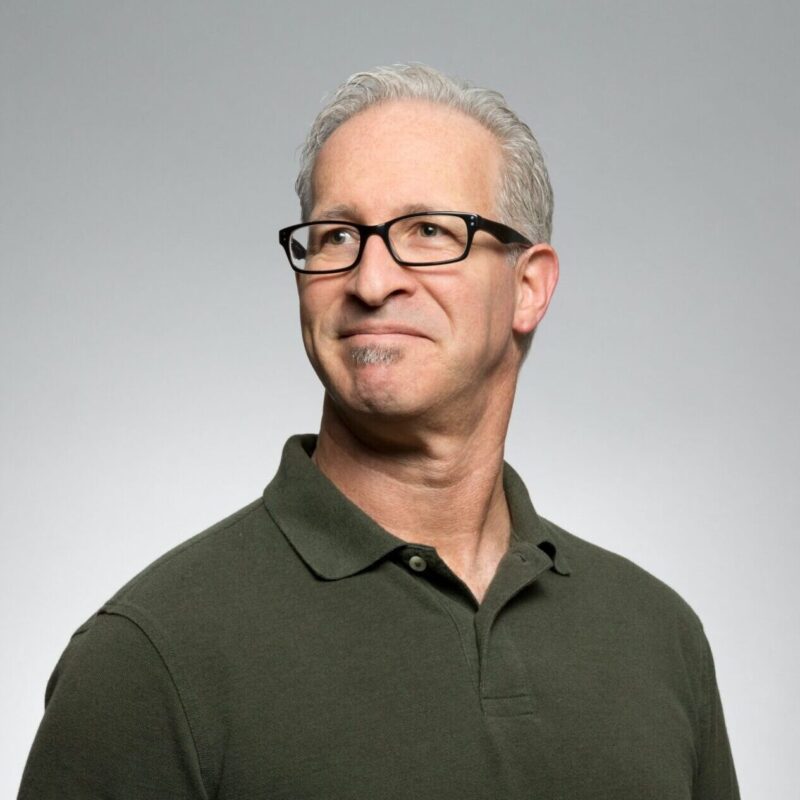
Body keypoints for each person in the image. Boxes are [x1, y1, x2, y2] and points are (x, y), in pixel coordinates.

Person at [18, 64, 739, 799]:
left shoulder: (657, 636)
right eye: (335, 236)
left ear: (529, 287)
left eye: (428, 231)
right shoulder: (150, 657)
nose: (370, 281)